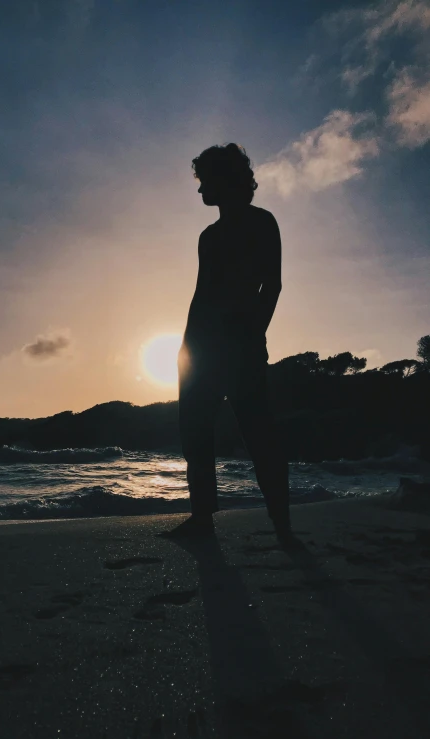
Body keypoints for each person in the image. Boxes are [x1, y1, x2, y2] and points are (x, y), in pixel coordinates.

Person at [162, 143, 292, 541]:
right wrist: (186, 346)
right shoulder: (208, 235)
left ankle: (282, 525)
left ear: (226, 179)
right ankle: (202, 518)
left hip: (240, 345)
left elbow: (272, 284)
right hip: (198, 346)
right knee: (196, 433)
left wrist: (254, 332)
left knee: (258, 433)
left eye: (205, 183)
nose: (201, 192)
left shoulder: (261, 222)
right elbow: (202, 294)